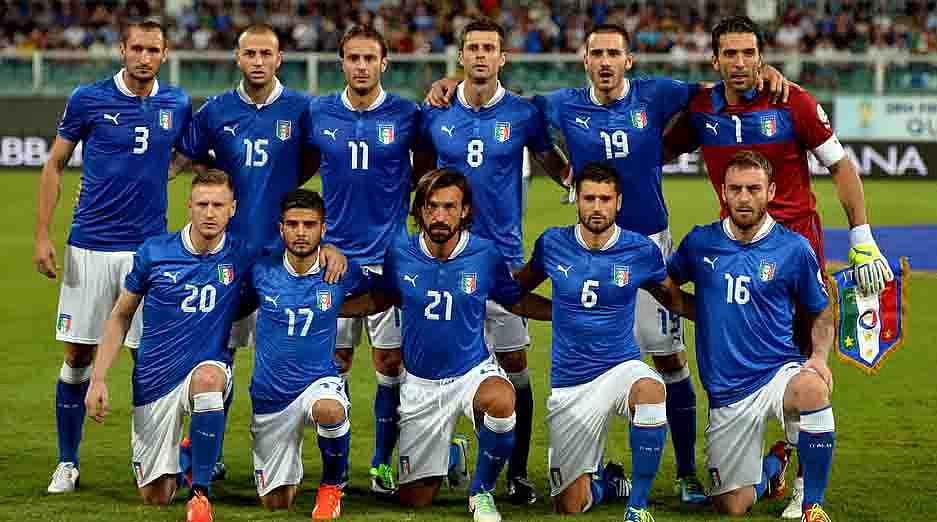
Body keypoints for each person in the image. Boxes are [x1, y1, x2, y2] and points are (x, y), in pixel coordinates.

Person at [426, 23, 789, 505]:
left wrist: (766, 73)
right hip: (587, 244)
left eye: (613, 53)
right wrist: (450, 86)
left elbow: (720, 85)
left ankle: (684, 473)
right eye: (596, 52)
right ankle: (583, 464)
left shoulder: (656, 94)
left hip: (647, 244)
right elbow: (508, 108)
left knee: (668, 358)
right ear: (584, 59)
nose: (604, 61)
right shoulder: (558, 104)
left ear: (628, 60)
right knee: (589, 351)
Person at [662, 16, 891, 517]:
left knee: (809, 365)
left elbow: (840, 165)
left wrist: (862, 237)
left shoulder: (794, 101)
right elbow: (651, 148)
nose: (740, 63)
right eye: (730, 54)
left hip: (796, 251)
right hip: (737, 249)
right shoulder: (702, 109)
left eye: (749, 53)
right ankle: (772, 460)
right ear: (716, 60)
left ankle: (807, 493)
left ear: (762, 56)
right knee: (754, 363)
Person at [175, 24, 344, 478]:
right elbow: (190, 159)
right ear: (237, 57)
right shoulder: (216, 111)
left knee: (297, 353)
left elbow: (312, 158)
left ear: (279, 58)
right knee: (219, 354)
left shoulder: (301, 109)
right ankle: (203, 447)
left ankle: (314, 449)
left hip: (284, 259)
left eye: (265, 53)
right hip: (228, 256)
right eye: (249, 53)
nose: (257, 61)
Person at [32, 19, 191, 494]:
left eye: (154, 50)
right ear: (122, 50)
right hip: (90, 245)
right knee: (78, 353)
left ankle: (149, 460)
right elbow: (55, 163)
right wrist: (42, 235)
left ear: (164, 54)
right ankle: (67, 462)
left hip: (149, 252)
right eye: (137, 48)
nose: (145, 57)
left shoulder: (176, 103)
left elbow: (190, 152)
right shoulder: (88, 98)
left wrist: (168, 170)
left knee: (150, 358)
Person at [417, 17, 571, 504]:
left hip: (502, 259)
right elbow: (421, 174)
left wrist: (576, 185)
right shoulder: (434, 113)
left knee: (514, 364)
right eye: (472, 47)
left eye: (490, 48)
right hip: (442, 259)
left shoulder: (523, 114)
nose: (481, 55)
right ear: (459, 56)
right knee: (436, 359)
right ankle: (444, 454)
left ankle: (518, 472)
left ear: (502, 58)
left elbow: (549, 158)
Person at [342, 168, 552, 522]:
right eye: (432, 206)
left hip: (471, 374)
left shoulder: (485, 254)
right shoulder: (400, 252)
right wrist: (331, 309)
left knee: (502, 401)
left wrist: (565, 311)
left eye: (450, 207)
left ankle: (481, 493)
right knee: (415, 500)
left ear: (465, 210)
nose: (440, 215)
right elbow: (380, 298)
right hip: (421, 387)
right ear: (421, 210)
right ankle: (451, 455)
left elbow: (515, 300)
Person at [514, 163, 693, 522]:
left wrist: (715, 315)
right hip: (570, 383)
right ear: (576, 200)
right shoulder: (552, 243)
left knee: (651, 389)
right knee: (569, 504)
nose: (597, 207)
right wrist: (558, 312)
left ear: (619, 202)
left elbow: (672, 299)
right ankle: (609, 484)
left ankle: (637, 507)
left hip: (620, 368)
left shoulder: (640, 251)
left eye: (605, 199)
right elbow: (516, 293)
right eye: (589, 198)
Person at [667, 151, 835, 521]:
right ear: (723, 193)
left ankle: (810, 504)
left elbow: (821, 309)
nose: (745, 197)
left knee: (813, 390)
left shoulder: (794, 249)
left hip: (777, 372)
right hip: (727, 392)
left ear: (770, 191)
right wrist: (705, 312)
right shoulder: (699, 243)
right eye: (736, 189)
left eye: (754, 189)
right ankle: (775, 465)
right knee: (732, 506)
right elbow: (669, 287)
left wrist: (819, 357)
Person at [301, 24, 433, 495]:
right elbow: (298, 169)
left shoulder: (406, 114)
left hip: (391, 258)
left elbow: (427, 173)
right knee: (330, 361)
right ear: (342, 63)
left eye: (368, 59)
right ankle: (329, 467)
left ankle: (380, 463)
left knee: (391, 363)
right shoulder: (318, 112)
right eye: (352, 58)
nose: (360, 66)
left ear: (384, 64)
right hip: (332, 257)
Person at [84, 171, 255, 522]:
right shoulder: (155, 252)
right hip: (155, 379)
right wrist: (98, 379)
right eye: (203, 204)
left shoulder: (243, 254)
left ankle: (200, 493)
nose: (210, 213)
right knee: (156, 496)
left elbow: (293, 266)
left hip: (206, 369)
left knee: (209, 380)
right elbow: (120, 316)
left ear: (232, 209)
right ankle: (185, 458)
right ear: (188, 206)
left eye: (218, 205)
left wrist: (330, 251)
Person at [246, 189, 371, 519]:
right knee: (276, 502)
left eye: (309, 225)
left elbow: (383, 294)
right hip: (271, 395)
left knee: (330, 411)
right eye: (293, 224)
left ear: (323, 229)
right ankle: (287, 470)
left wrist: (339, 310)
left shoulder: (341, 271)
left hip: (318, 381)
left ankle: (332, 487)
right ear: (281, 228)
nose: (301, 232)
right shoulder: (261, 270)